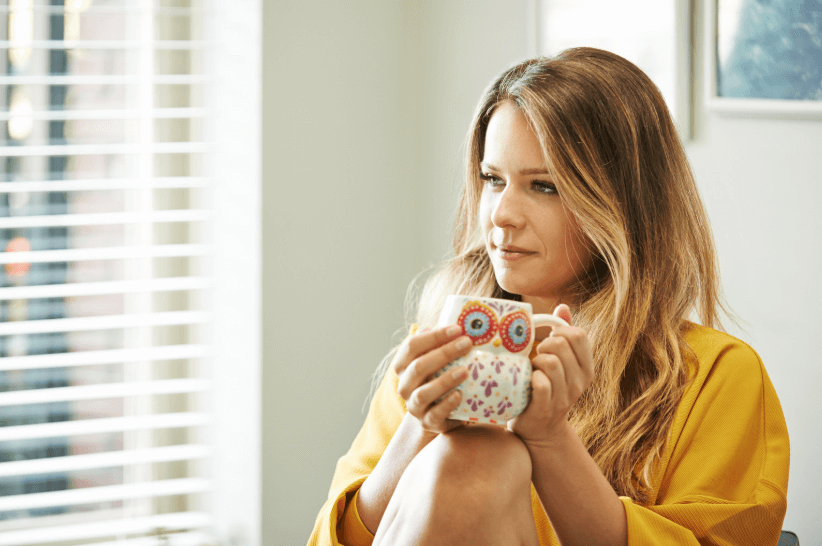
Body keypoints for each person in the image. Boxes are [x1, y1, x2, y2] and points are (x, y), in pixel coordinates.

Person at [308, 47, 789, 546]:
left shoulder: (716, 376)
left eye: (544, 186)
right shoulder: (438, 353)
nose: (501, 214)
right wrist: (418, 426)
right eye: (493, 179)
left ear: (625, 206)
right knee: (471, 454)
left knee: (482, 457)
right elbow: (331, 539)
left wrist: (549, 439)